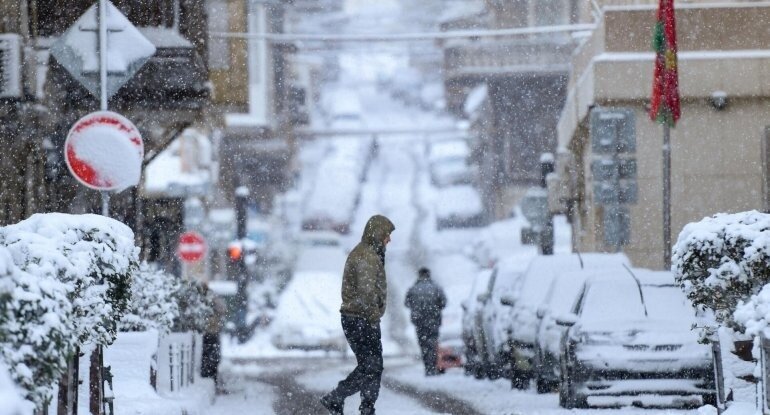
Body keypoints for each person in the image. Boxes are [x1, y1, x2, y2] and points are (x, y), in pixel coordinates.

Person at [321, 215, 395, 415]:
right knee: (372, 366)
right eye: (387, 235)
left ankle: (363, 406)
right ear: (378, 233)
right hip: (360, 319)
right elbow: (366, 292)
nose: (389, 239)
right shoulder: (366, 256)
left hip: (358, 318)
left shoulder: (369, 253)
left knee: (371, 366)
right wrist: (372, 317)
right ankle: (341, 398)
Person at [404, 267, 447, 376]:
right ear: (429, 275)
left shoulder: (414, 288)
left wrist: (418, 308)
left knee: (423, 344)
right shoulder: (436, 288)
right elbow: (443, 302)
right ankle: (433, 365)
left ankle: (428, 367)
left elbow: (407, 303)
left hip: (419, 321)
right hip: (433, 320)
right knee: (433, 343)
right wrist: (434, 309)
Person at [200, 282, 227, 395]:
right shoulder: (213, 298)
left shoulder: (206, 299)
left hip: (208, 333)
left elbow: (222, 310)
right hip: (212, 332)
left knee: (209, 358)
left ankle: (211, 379)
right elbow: (223, 310)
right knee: (212, 358)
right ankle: (212, 380)